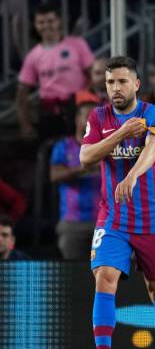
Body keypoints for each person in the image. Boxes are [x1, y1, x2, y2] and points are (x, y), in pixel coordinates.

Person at [75, 56, 155, 349]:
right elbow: (85, 157)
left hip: (152, 217)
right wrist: (120, 134)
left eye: (121, 81)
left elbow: (152, 148)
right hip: (113, 218)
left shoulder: (153, 113)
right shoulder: (99, 116)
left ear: (136, 84)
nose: (115, 88)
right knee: (104, 276)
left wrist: (132, 176)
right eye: (110, 83)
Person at [16, 2, 95, 141]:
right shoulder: (33, 55)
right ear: (35, 25)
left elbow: (94, 75)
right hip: (49, 113)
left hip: (77, 109)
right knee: (52, 155)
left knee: (81, 153)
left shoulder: (77, 44)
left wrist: (84, 100)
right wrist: (25, 124)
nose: (46, 26)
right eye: (41, 22)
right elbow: (22, 93)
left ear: (59, 21)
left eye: (50, 21)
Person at [50, 102, 101, 260]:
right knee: (74, 274)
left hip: (105, 222)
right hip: (73, 222)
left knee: (107, 273)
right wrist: (85, 167)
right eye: (88, 116)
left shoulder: (111, 147)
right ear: (77, 119)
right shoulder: (63, 147)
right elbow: (55, 175)